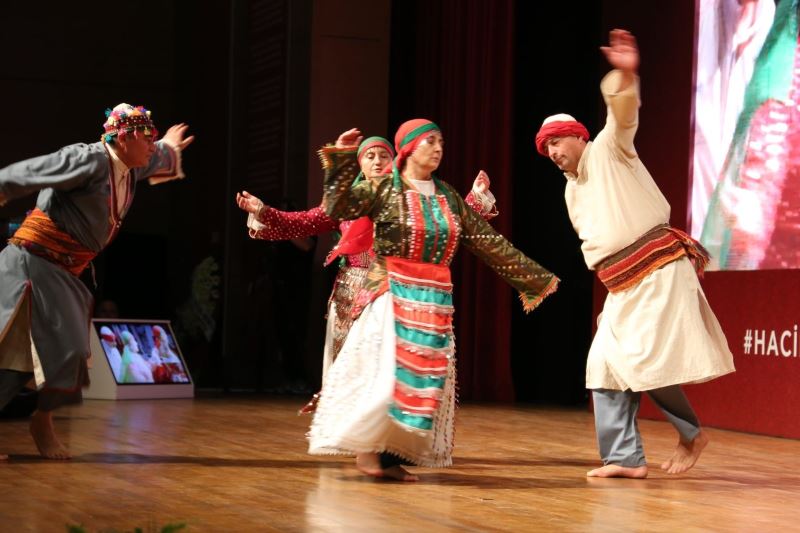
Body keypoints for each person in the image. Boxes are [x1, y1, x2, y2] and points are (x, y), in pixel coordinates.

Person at [308, 120, 559, 481]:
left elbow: (487, 240)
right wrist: (344, 158)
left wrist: (536, 279)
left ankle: (389, 457)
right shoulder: (383, 189)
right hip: (390, 293)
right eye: (430, 141)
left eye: (441, 141)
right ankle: (367, 451)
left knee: (422, 382)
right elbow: (339, 204)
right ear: (408, 147)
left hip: (433, 299)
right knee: (387, 377)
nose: (438, 147)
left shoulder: (448, 197)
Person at [535, 29, 735, 478]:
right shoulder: (572, 191)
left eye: (556, 142)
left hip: (657, 268)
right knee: (603, 364)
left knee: (646, 359)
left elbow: (622, 118)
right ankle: (624, 458)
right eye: (546, 148)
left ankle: (690, 435)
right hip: (623, 286)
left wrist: (624, 75)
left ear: (578, 137)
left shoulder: (608, 150)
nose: (552, 152)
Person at [236, 136, 498, 414]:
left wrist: (475, 198)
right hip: (352, 292)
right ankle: (349, 432)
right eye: (369, 156)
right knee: (350, 363)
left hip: (394, 290)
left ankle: (388, 436)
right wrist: (263, 210)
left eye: (383, 156)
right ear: (360, 162)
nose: (377, 161)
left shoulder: (409, 199)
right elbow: (302, 223)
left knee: (391, 364)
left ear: (394, 161)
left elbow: (447, 221)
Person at [0, 103, 194, 459]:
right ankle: (41, 422)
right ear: (126, 137)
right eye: (148, 138)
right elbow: (32, 170)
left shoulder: (130, 167)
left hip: (64, 273)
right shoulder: (88, 160)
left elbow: (156, 159)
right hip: (31, 262)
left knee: (71, 353)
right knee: (11, 350)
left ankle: (42, 419)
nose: (151, 146)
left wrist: (168, 145)